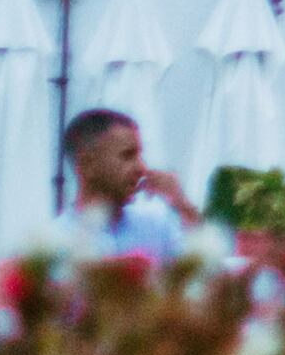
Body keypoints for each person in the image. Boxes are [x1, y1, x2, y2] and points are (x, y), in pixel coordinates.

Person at [63, 107, 196, 263]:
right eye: (127, 156)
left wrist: (182, 205)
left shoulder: (157, 228)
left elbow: (209, 275)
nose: (142, 168)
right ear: (87, 164)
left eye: (139, 155)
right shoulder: (55, 246)